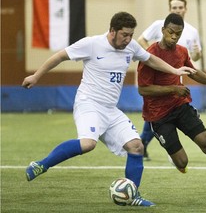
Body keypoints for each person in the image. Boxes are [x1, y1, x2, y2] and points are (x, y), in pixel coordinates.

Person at [22, 11, 194, 207]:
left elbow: (150, 59)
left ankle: (132, 195)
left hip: (110, 109)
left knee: (136, 146)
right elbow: (60, 56)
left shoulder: (130, 46)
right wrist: (36, 76)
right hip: (89, 104)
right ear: (112, 31)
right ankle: (41, 165)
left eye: (131, 35)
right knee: (88, 144)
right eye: (124, 35)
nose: (128, 39)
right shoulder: (92, 44)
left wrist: (175, 70)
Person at [137, 13, 206, 203]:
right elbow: (143, 89)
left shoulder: (181, 51)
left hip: (180, 106)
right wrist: (173, 88)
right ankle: (173, 156)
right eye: (171, 33)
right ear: (163, 30)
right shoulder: (150, 55)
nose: (174, 37)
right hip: (157, 115)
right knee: (182, 162)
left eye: (178, 34)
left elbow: (193, 72)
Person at [138, 0, 202, 160]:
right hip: (158, 78)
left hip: (177, 79)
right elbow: (141, 40)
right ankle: (144, 143)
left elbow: (194, 57)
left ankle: (166, 146)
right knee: (158, 111)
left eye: (180, 7)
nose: (177, 10)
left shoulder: (192, 31)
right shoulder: (159, 25)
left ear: (185, 9)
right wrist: (154, 61)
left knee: (172, 111)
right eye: (174, 8)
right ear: (169, 9)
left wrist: (196, 53)